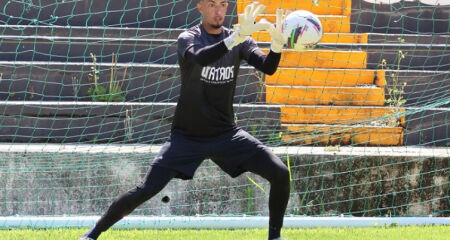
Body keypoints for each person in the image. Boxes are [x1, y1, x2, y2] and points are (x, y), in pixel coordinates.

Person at [79, 1, 290, 239]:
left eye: (223, 4)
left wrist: (277, 44)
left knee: (280, 173)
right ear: (200, 6)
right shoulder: (189, 37)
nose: (218, 11)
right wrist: (235, 39)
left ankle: (275, 237)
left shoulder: (238, 38)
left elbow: (268, 67)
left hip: (226, 134)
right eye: (212, 4)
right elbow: (200, 58)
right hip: (187, 137)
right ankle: (92, 234)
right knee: (146, 189)